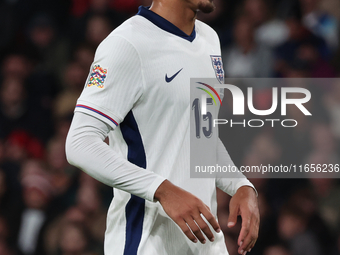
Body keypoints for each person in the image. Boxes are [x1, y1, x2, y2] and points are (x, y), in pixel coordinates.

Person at [65, 0, 259, 254]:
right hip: (145, 242)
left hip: (205, 243)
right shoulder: (127, 44)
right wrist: (162, 190)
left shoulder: (209, 39)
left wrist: (239, 185)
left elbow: (201, 136)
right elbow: (80, 143)